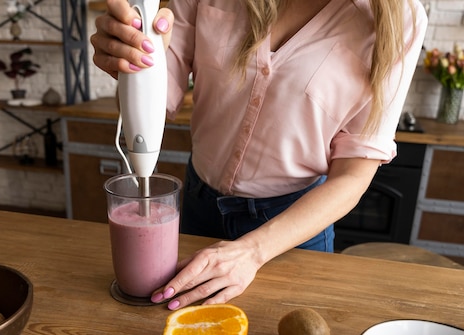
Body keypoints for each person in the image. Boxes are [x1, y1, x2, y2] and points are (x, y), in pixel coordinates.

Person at [91, 0, 428, 310]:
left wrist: (253, 251)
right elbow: (152, 100)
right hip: (195, 209)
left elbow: (354, 176)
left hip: (291, 231)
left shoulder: (400, 21)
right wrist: (133, 65)